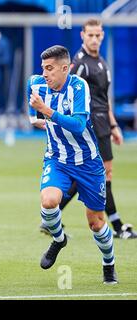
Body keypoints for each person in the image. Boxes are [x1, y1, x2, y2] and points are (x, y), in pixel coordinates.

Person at [39, 19, 136, 239]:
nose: (94, 39)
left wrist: (113, 125)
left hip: (103, 123)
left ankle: (51, 216)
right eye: (90, 35)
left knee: (87, 174)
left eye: (98, 35)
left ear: (102, 35)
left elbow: (104, 99)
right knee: (101, 173)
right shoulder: (78, 63)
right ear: (82, 35)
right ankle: (117, 224)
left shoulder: (102, 62)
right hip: (88, 127)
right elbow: (67, 93)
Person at [28, 45, 117, 284]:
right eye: (43, 68)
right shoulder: (36, 83)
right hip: (57, 159)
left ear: (65, 68)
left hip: (88, 163)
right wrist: (37, 119)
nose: (44, 74)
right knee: (48, 202)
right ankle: (59, 239)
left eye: (50, 68)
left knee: (96, 223)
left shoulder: (78, 87)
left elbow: (78, 125)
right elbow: (32, 109)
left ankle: (108, 263)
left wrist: (46, 112)